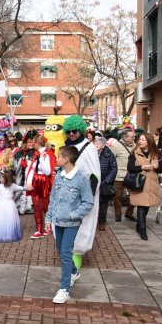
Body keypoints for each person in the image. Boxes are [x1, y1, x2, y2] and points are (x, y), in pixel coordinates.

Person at [45, 145, 94, 304]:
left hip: (72, 223)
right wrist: (48, 218)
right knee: (61, 249)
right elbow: (53, 198)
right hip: (58, 221)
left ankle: (64, 289)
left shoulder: (81, 179)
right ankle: (74, 271)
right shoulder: (59, 175)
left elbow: (88, 203)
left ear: (66, 159)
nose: (56, 159)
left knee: (65, 252)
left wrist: (73, 214)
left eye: (58, 156)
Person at [63, 115, 101, 268]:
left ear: (80, 131)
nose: (71, 134)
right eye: (68, 131)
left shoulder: (89, 148)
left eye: (74, 131)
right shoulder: (65, 147)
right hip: (66, 193)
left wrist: (88, 198)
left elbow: (95, 174)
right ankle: (67, 254)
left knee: (82, 225)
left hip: (82, 193)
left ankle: (77, 256)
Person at [128, 132, 162, 240]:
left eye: (143, 140)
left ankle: (139, 224)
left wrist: (157, 166)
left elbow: (161, 170)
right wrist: (144, 166)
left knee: (146, 206)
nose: (140, 141)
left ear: (149, 142)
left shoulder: (156, 154)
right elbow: (130, 168)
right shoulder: (134, 153)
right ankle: (143, 229)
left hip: (152, 183)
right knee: (141, 205)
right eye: (139, 139)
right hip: (139, 183)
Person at [25, 135, 56, 239]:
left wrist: (42, 159)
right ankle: (39, 230)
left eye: (33, 142)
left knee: (46, 206)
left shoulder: (48, 154)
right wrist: (28, 182)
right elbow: (32, 169)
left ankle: (48, 227)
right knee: (37, 206)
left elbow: (47, 171)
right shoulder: (36, 154)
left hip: (44, 182)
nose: (32, 144)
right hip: (36, 182)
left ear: (37, 143)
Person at [110, 129, 137, 222]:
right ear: (125, 137)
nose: (134, 138)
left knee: (133, 196)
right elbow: (111, 160)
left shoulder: (135, 146)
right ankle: (118, 214)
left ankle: (129, 213)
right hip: (119, 176)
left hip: (132, 175)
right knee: (118, 196)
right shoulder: (116, 146)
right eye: (132, 136)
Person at [0, 169, 23, 243]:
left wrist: (28, 188)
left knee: (10, 220)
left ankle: (9, 235)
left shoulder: (13, 186)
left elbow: (21, 188)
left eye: (2, 177)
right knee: (1, 220)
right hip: (1, 206)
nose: (0, 179)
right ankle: (1, 235)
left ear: (6, 178)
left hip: (10, 206)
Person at [95, 137, 117, 231]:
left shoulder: (109, 154)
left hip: (104, 182)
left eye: (97, 144)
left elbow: (113, 168)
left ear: (103, 145)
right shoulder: (92, 154)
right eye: (95, 143)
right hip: (94, 181)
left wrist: (107, 180)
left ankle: (102, 222)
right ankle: (93, 222)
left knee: (103, 203)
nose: (95, 145)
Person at [14, 137, 35, 214]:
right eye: (29, 142)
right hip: (23, 175)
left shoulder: (36, 152)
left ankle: (29, 206)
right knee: (23, 189)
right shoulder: (21, 152)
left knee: (31, 189)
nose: (31, 144)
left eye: (32, 142)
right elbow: (16, 164)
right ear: (25, 144)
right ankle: (22, 206)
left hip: (33, 175)